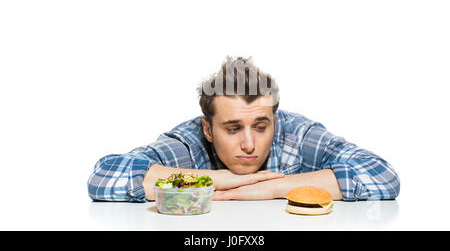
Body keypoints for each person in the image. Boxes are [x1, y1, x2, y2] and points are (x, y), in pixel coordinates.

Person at [87, 56, 400, 202]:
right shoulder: (188, 143)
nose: (249, 144)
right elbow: (106, 175)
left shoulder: (295, 134)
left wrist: (274, 187)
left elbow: (381, 175)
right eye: (233, 129)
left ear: (274, 123)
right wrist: (218, 180)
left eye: (260, 126)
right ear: (208, 130)